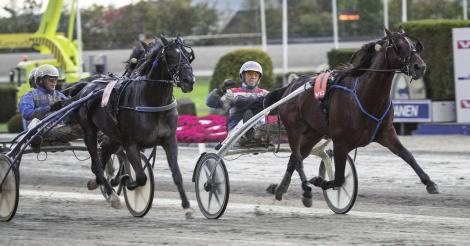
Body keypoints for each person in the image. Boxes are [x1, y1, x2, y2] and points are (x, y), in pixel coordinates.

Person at [18, 64, 81, 152]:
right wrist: (50, 108)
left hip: (57, 131)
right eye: (51, 80)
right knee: (35, 122)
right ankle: (37, 141)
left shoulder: (59, 95)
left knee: (83, 125)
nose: (54, 82)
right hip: (39, 132)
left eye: (55, 79)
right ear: (40, 81)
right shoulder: (29, 96)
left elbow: (73, 110)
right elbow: (27, 114)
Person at [206, 61, 268, 139]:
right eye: (250, 74)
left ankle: (254, 132)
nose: (253, 77)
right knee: (248, 113)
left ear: (259, 78)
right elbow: (210, 103)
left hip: (260, 129)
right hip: (236, 132)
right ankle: (249, 132)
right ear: (243, 76)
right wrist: (221, 89)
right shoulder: (232, 93)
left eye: (256, 75)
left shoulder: (264, 93)